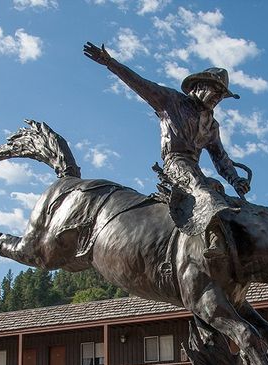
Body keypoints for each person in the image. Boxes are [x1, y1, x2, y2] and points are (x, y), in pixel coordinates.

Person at [83, 42, 250, 260]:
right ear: (198, 86)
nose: (218, 97)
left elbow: (220, 158)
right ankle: (214, 240)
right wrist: (110, 62)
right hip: (175, 162)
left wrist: (236, 180)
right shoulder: (172, 101)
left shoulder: (211, 124)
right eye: (215, 90)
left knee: (216, 187)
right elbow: (140, 84)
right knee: (202, 189)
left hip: (193, 165)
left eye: (222, 94)